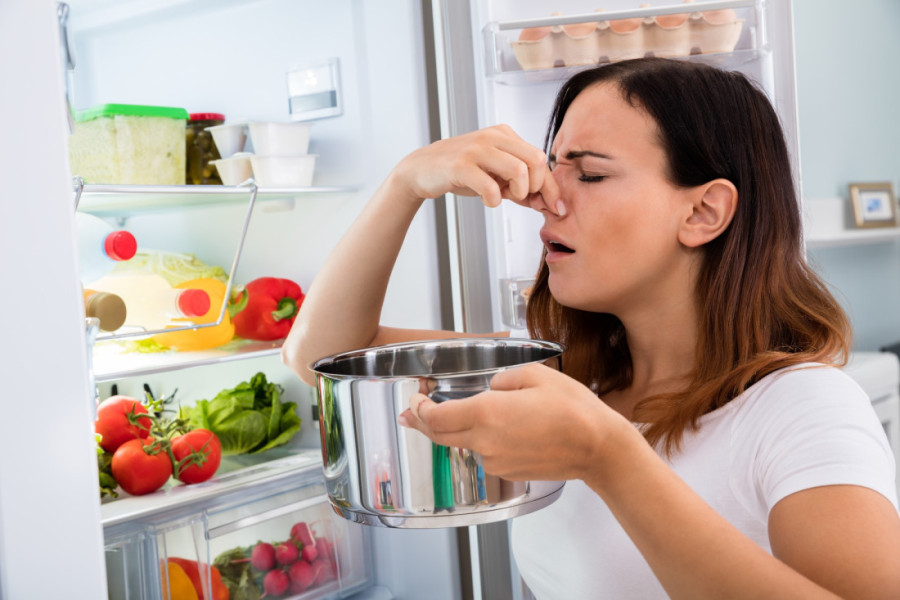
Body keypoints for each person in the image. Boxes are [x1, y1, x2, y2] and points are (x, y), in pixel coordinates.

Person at [282, 57, 900, 599]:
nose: (548, 197)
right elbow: (322, 356)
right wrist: (405, 184)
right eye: (552, 168)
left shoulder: (803, 407)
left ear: (704, 211)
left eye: (591, 174)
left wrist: (609, 458)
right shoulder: (572, 377)